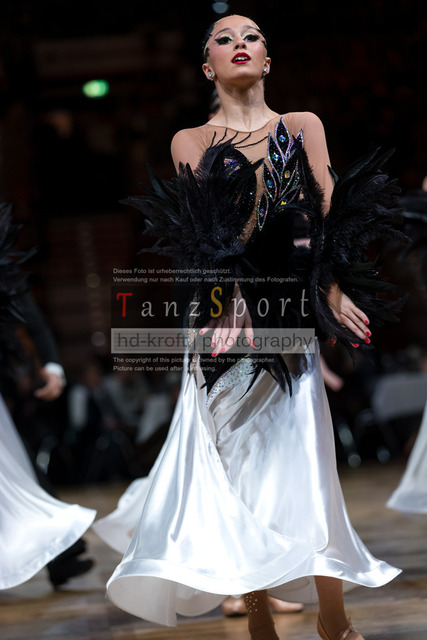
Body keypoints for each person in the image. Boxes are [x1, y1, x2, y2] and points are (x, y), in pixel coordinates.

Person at [95, 15, 402, 640]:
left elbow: (327, 213)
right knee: (237, 468)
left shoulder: (303, 126)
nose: (240, 42)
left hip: (290, 312)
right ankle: (260, 623)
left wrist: (332, 288)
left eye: (252, 36)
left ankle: (334, 618)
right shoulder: (191, 140)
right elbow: (206, 232)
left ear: (267, 59)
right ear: (207, 65)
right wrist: (228, 294)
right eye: (224, 37)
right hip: (222, 320)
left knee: (307, 463)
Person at [0, 204, 96, 590]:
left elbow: (32, 320)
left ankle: (62, 550)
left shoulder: (3, 268)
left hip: (8, 387)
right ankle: (63, 551)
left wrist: (52, 366)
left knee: (20, 467)